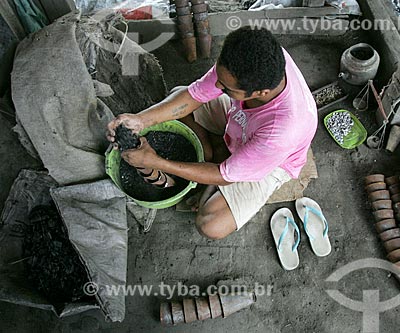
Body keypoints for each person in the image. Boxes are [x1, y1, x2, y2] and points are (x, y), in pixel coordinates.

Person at [107, 26, 318, 240]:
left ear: (260, 92)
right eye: (219, 77)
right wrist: (140, 120)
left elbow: (224, 176)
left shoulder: (282, 132)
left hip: (271, 160)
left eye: (225, 87)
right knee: (177, 96)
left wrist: (155, 162)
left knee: (211, 225)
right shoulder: (256, 59)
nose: (217, 85)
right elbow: (196, 94)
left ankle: (213, 163)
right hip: (240, 120)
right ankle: (208, 152)